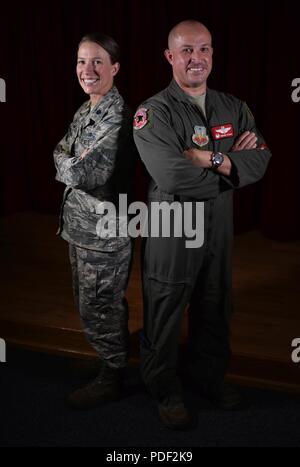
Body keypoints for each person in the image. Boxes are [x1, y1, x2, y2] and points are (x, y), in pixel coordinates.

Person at [133, 20, 271, 430]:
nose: (198, 59)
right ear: (170, 57)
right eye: (188, 51)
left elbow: (261, 158)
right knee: (166, 306)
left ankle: (208, 378)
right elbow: (173, 176)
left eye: (205, 49)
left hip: (219, 226)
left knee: (216, 301)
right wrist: (234, 170)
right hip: (172, 223)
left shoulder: (233, 106)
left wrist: (213, 159)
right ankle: (164, 388)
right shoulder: (152, 112)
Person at [54, 33, 135, 409]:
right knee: (90, 304)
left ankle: (113, 375)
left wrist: (70, 162)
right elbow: (61, 152)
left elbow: (87, 172)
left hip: (103, 234)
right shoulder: (87, 110)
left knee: (101, 306)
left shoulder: (116, 116)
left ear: (114, 68)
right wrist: (69, 160)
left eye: (98, 61)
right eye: (81, 61)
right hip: (80, 228)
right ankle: (109, 361)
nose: (88, 70)